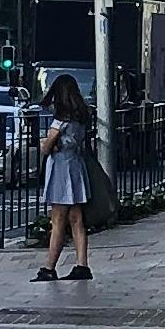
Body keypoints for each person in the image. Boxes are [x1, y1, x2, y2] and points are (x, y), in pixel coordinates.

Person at [37, 77, 97, 281]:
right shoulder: (81, 116)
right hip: (76, 166)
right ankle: (82, 264)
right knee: (77, 219)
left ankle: (49, 267)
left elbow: (46, 147)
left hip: (61, 169)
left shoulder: (60, 119)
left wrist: (47, 143)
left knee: (58, 220)